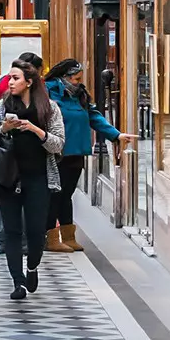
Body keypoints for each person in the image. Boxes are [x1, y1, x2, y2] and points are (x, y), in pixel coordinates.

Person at [0, 58, 63, 300]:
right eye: (10, 77)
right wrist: (4, 129)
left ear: (29, 82)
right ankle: (17, 282)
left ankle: (32, 266)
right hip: (8, 177)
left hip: (38, 178)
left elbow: (58, 144)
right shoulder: (3, 105)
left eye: (15, 78)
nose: (9, 82)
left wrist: (34, 129)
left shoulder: (49, 108)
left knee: (35, 230)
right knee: (11, 230)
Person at [43, 59, 120, 252]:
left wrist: (115, 135)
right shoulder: (48, 91)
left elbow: (94, 116)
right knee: (55, 195)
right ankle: (50, 237)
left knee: (66, 194)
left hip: (77, 152)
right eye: (76, 78)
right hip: (57, 152)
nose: (79, 81)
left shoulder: (80, 95)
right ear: (64, 77)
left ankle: (68, 236)